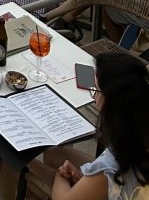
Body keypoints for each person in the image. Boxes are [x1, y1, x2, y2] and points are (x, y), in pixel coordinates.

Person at [45, 53, 149, 200]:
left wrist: (60, 175)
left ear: (111, 101)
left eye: (95, 90)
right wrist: (84, 179)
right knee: (52, 154)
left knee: (26, 165)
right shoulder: (138, 126)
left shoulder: (113, 163)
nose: (94, 99)